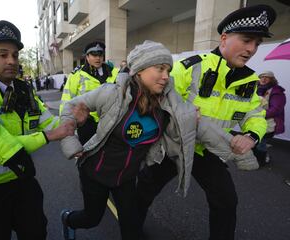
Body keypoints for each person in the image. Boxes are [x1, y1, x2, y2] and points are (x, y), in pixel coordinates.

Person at [59, 40, 258, 240]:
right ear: (139, 70)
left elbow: (203, 129)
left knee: (132, 229)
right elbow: (70, 107)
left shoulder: (169, 103)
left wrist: (241, 152)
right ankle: (68, 219)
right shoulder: (112, 93)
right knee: (91, 219)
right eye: (159, 69)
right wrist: (70, 141)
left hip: (126, 180)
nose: (165, 76)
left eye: (168, 70)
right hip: (95, 173)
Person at [136, 5, 276, 240]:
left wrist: (251, 135)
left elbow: (256, 115)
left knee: (226, 201)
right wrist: (182, 115)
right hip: (174, 146)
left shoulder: (250, 80)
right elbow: (155, 100)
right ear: (224, 38)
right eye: (247, 40)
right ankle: (130, 230)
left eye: (257, 43)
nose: (252, 49)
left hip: (207, 151)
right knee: (144, 192)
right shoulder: (189, 67)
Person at [0, 20, 78, 240]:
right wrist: (47, 137)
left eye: (15, 55)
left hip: (21, 181)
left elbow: (48, 122)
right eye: (2, 54)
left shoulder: (24, 90)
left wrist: (72, 121)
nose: (11, 61)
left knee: (36, 233)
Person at [60, 41, 119, 144]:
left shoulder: (115, 72)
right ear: (87, 57)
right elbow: (67, 100)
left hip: (111, 121)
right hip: (86, 122)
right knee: (87, 155)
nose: (98, 58)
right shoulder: (76, 75)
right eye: (94, 55)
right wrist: (65, 124)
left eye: (100, 54)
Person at [254, 71, 286, 166]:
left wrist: (259, 115)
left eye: (267, 77)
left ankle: (261, 161)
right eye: (262, 77)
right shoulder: (257, 89)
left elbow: (276, 110)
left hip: (268, 123)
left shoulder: (277, 92)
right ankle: (258, 157)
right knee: (255, 141)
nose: (263, 79)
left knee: (261, 143)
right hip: (256, 121)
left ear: (272, 80)